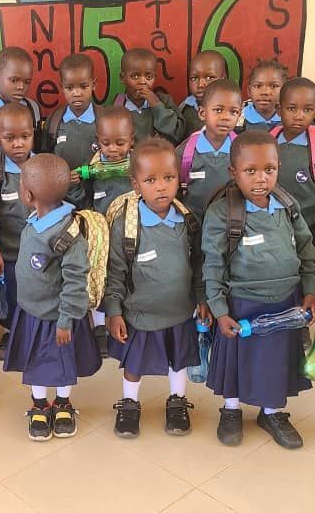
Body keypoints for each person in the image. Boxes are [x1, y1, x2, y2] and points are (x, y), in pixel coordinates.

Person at [202, 131, 315, 449]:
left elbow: (307, 250)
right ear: (233, 172)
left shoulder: (288, 205)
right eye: (250, 171)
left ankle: (272, 412)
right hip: (242, 303)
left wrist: (310, 290)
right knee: (237, 363)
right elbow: (212, 265)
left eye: (269, 169)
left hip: (286, 300)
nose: (261, 179)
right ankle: (231, 410)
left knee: (275, 363)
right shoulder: (221, 212)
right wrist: (219, 310)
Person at [104, 138, 208, 438]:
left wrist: (202, 298)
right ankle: (129, 403)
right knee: (134, 364)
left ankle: (177, 402)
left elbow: (200, 264)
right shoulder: (127, 226)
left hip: (179, 313)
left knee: (179, 362)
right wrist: (113, 310)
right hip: (140, 314)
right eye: (151, 180)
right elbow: (115, 272)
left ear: (179, 178)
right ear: (135, 184)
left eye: (169, 178)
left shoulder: (188, 223)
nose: (161, 186)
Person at [3, 154, 102, 441]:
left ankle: (62, 404)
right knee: (35, 363)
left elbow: (75, 282)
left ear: (28, 194)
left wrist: (66, 320)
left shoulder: (69, 236)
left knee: (62, 362)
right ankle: (38, 405)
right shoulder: (34, 221)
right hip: (31, 313)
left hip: (60, 318)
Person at [0, 103, 35, 359]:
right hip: (9, 253)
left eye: (25, 136)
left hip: (40, 253)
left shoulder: (43, 167)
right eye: (10, 138)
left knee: (38, 292)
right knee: (11, 295)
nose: (19, 144)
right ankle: (12, 333)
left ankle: (37, 332)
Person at [272, 78, 315, 253]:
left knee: (304, 272)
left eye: (307, 110)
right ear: (279, 110)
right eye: (291, 108)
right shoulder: (265, 145)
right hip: (267, 225)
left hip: (305, 230)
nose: (299, 115)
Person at [177, 78, 242, 221]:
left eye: (233, 111)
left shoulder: (242, 150)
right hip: (193, 224)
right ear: (202, 113)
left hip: (228, 225)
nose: (225, 117)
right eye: (218, 110)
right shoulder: (186, 151)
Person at [45, 54, 99, 207]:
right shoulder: (54, 121)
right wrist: (62, 177)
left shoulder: (104, 120)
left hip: (97, 199)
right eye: (69, 88)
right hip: (62, 200)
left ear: (93, 84)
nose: (77, 93)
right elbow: (46, 159)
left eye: (83, 86)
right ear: (62, 87)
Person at [112, 48, 185, 144]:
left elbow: (178, 133)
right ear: (123, 78)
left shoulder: (164, 101)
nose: (142, 82)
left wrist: (157, 106)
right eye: (135, 76)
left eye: (149, 77)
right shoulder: (118, 106)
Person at [179, 50, 228, 137]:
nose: (200, 84)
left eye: (209, 77)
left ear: (223, 79)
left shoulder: (231, 109)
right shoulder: (184, 109)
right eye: (194, 78)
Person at [237, 60, 287, 132]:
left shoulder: (288, 118)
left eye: (273, 86)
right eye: (258, 86)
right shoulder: (239, 117)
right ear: (249, 91)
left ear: (284, 91)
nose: (265, 92)